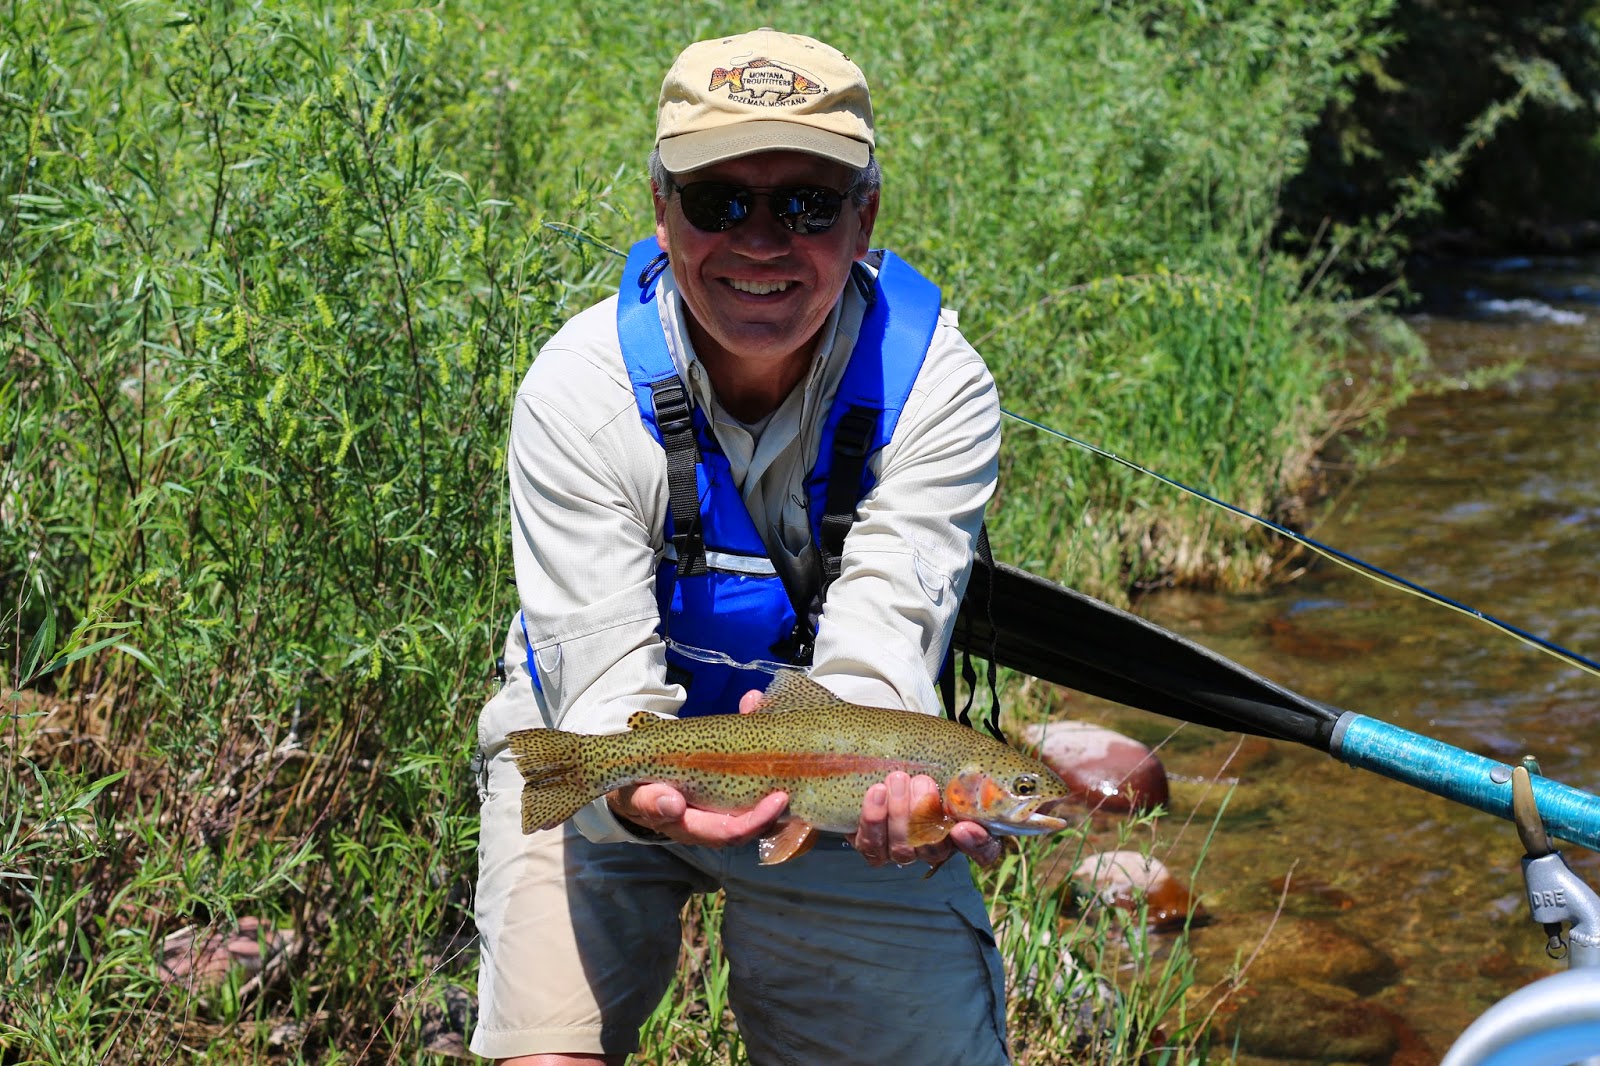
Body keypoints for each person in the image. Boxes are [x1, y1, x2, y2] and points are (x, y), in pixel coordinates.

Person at [471, 27, 1007, 1065]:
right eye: (720, 201)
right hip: (603, 737)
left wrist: (890, 793)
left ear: (865, 220)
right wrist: (632, 784)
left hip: (835, 772)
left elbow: (880, 655)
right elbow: (597, 681)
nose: (761, 240)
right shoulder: (579, 388)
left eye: (806, 203)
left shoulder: (935, 388)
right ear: (661, 214)